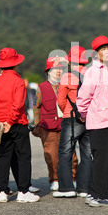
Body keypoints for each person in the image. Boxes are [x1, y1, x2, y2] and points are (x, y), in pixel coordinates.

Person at [0, 48, 40, 203]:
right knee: (23, 157)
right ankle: (23, 191)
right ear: (15, 64)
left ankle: (2, 191)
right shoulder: (19, 82)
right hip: (17, 124)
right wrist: (9, 121)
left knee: (2, 157)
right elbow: (18, 104)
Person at [76, 35, 108, 207]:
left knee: (102, 158)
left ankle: (94, 193)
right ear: (96, 53)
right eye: (103, 49)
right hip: (98, 119)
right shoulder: (93, 71)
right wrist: (85, 114)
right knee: (101, 159)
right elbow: (83, 98)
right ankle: (100, 196)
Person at [54, 45, 91, 198]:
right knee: (87, 154)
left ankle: (66, 188)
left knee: (65, 153)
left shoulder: (66, 77)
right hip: (89, 119)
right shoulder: (91, 74)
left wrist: (68, 111)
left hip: (71, 117)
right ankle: (84, 188)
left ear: (70, 61)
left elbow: (60, 100)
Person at [33, 57, 75, 191]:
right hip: (48, 127)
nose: (58, 71)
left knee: (72, 155)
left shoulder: (67, 85)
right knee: (51, 156)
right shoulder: (41, 87)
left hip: (66, 124)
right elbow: (36, 107)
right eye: (55, 69)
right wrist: (36, 124)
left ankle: (73, 178)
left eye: (60, 69)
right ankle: (55, 179)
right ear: (48, 72)